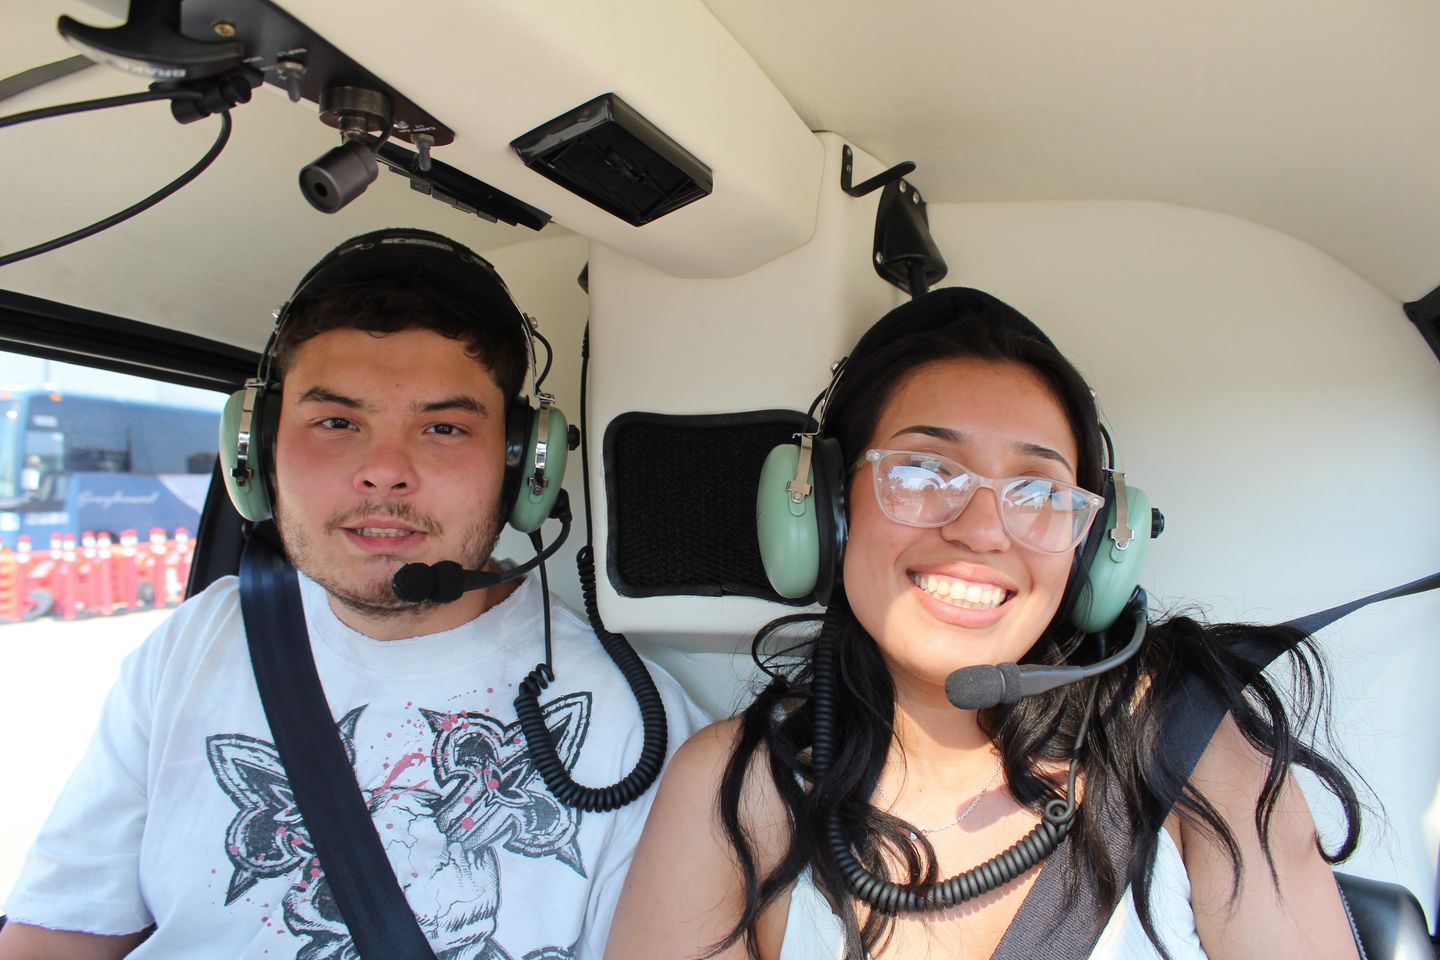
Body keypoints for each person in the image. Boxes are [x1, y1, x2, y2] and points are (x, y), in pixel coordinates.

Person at [0, 228, 707, 960]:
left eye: (443, 427)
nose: (384, 470)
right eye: (337, 422)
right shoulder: (194, 643)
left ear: (524, 465)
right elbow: (55, 938)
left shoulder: (640, 734)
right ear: (259, 449)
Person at [605, 287, 1362, 959]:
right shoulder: (736, 790)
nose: (980, 531)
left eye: (1039, 492)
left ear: (1092, 549)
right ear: (826, 510)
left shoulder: (1192, 745)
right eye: (921, 471)